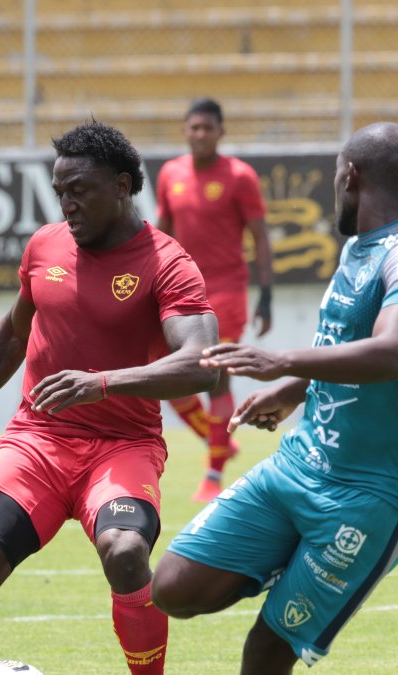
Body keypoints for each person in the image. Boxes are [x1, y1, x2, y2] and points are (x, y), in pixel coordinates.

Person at [0, 120, 220, 675]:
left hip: (122, 444)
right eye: (60, 191)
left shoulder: (167, 261)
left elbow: (201, 364)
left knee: (127, 552)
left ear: (124, 186)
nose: (67, 204)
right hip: (37, 439)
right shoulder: (44, 245)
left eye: (80, 189)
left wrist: (103, 382)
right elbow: (13, 334)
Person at [150, 122, 398, 674]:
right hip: (302, 462)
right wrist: (294, 389)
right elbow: (345, 342)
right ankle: (285, 560)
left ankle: (294, 578)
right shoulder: (358, 250)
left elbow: (391, 352)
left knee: (267, 650)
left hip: (374, 490)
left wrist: (284, 360)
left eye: (338, 177)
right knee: (174, 586)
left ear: (351, 177)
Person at [154, 97, 273, 502]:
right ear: (185, 130)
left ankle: (213, 474)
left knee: (217, 376)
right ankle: (219, 438)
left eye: (207, 128)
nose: (200, 134)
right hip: (180, 290)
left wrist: (267, 294)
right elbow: (162, 234)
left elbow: (259, 236)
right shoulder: (171, 174)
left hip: (226, 291)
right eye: (193, 127)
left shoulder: (239, 176)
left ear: (221, 132)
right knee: (167, 380)